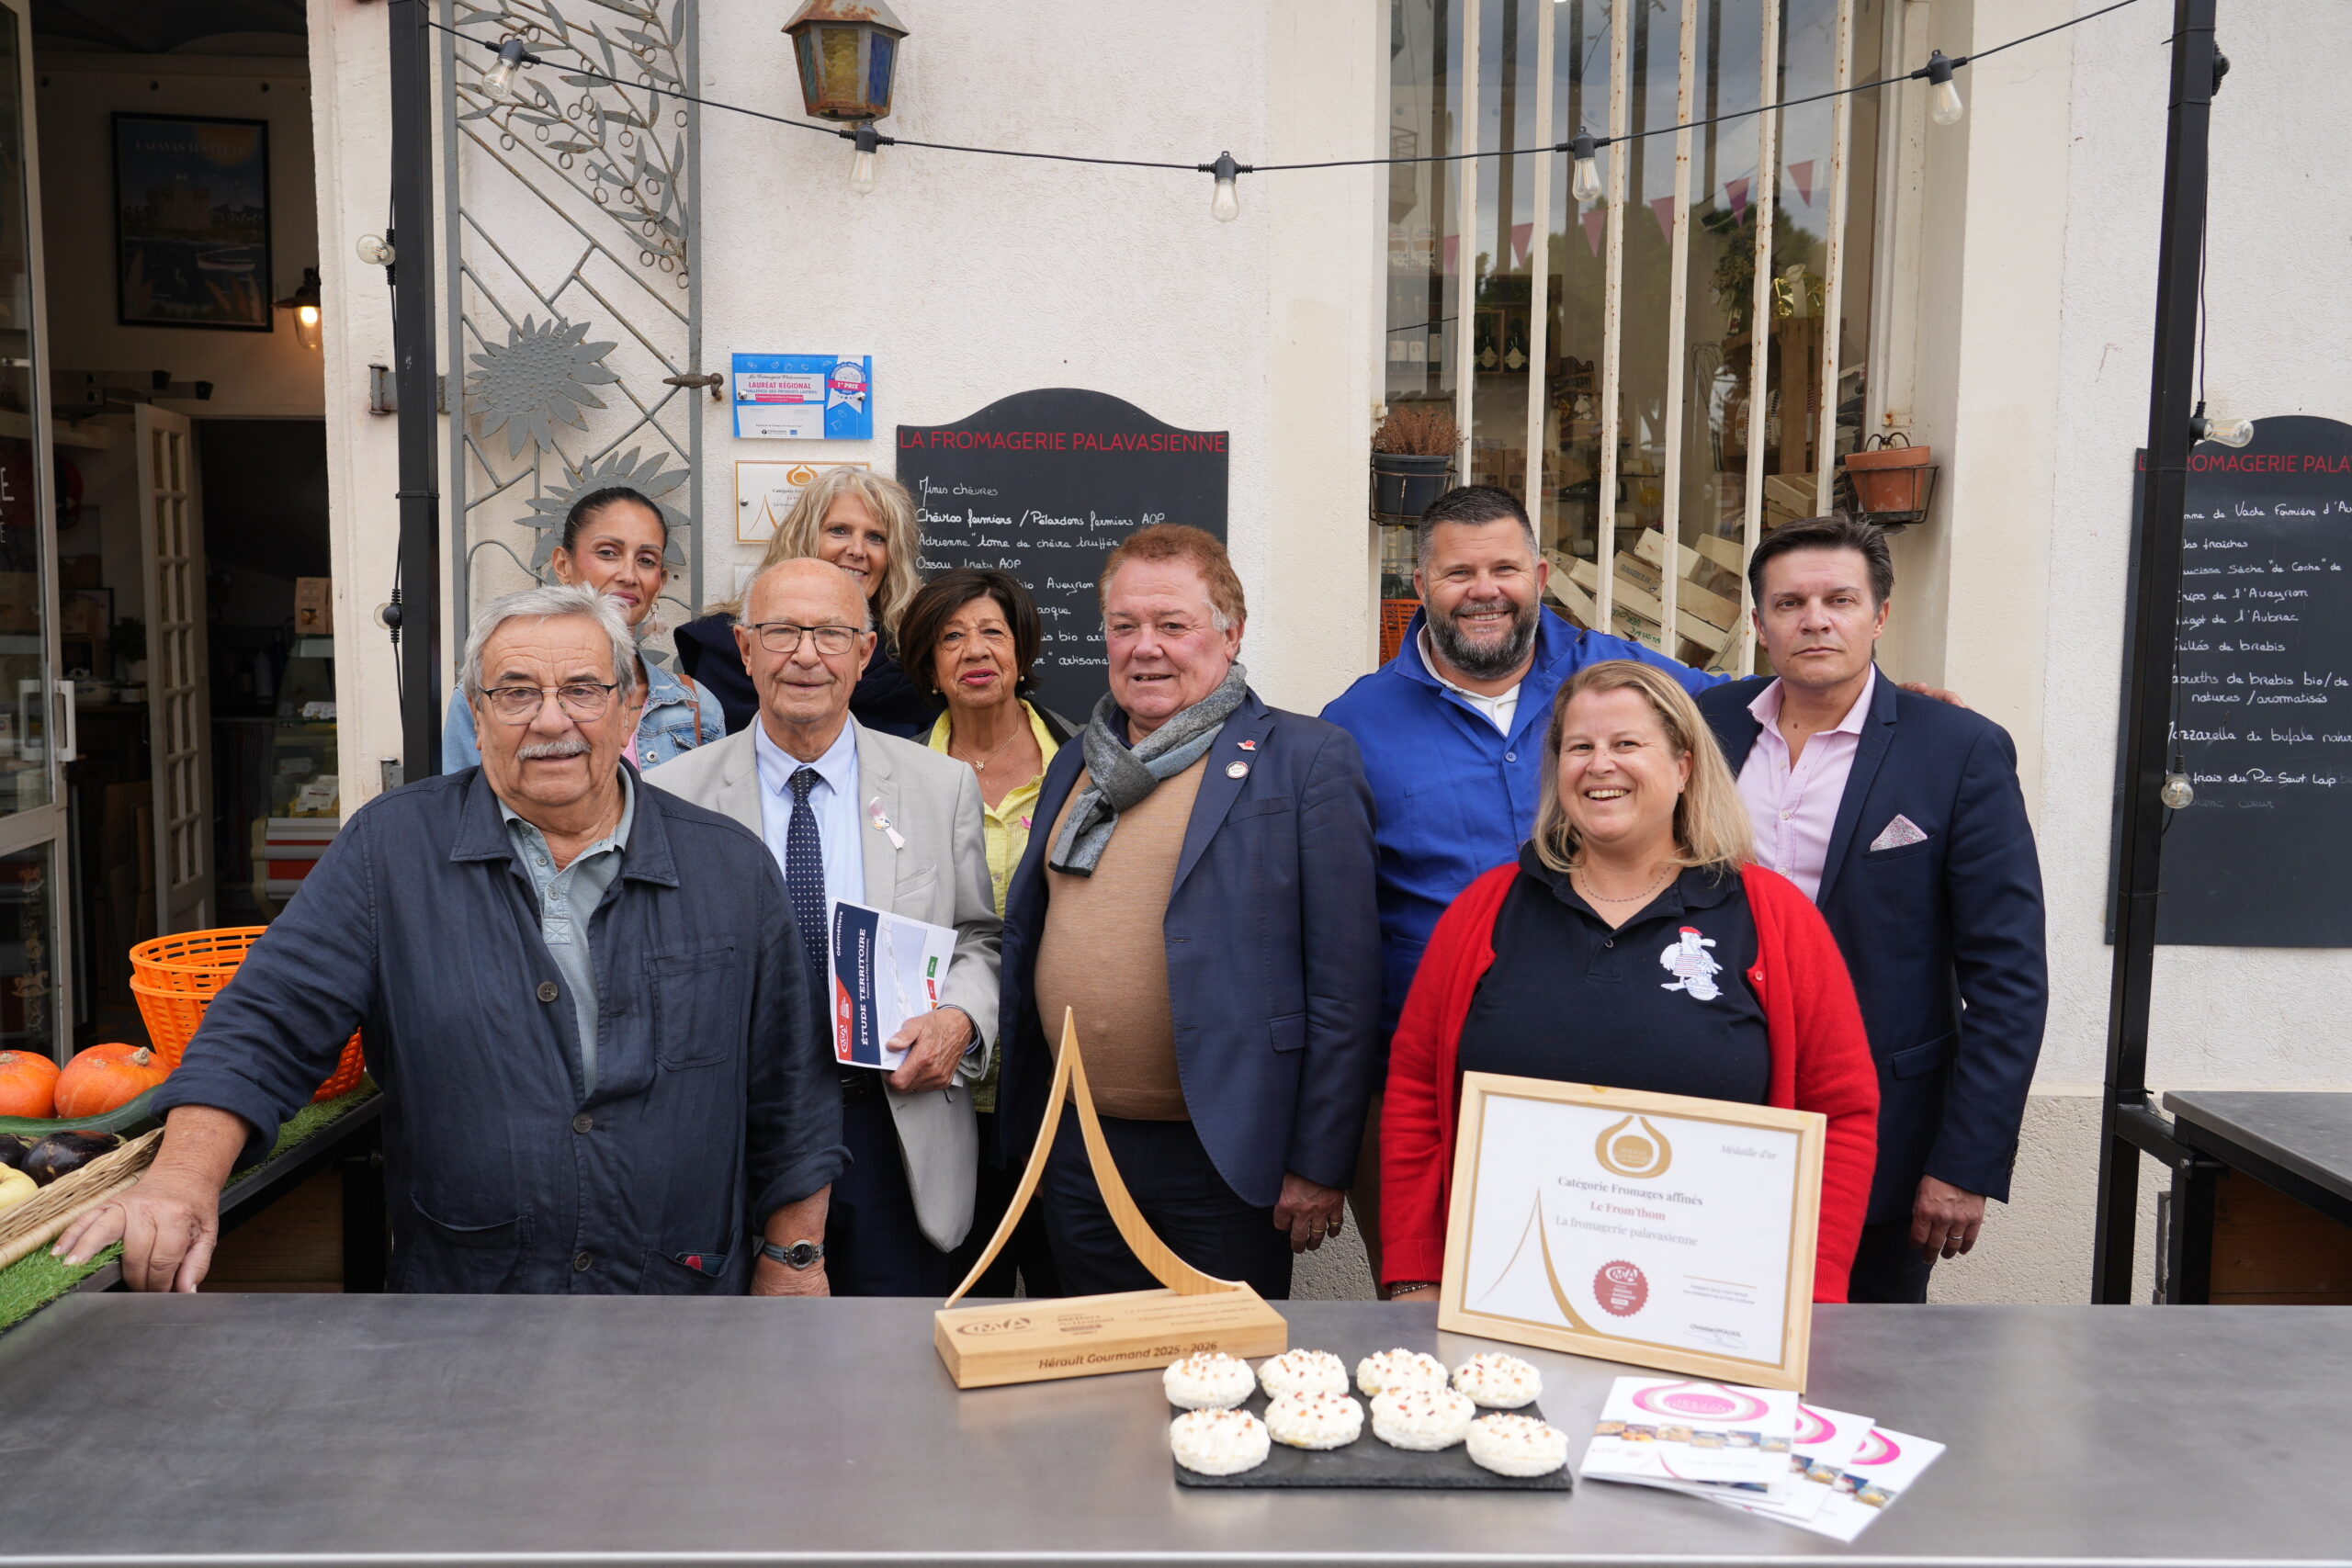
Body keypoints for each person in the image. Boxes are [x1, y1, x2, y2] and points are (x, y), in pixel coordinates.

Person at [59, 585, 846, 1294]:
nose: (550, 719)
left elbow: (791, 1085)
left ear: (631, 705)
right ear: (476, 711)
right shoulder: (390, 851)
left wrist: (795, 1257)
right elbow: (266, 1021)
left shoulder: (731, 865)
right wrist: (182, 1178)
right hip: (467, 1304)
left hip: (681, 1296)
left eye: (582, 690)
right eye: (515, 692)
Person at [1379, 660, 1880, 1304]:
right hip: (1510, 1293)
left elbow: (1840, 1112)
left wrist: (1809, 1290)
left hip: (1712, 1306)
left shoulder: (1774, 917)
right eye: (1579, 746)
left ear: (1683, 766)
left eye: (1626, 744)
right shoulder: (1486, 909)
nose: (1599, 764)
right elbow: (1417, 1092)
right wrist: (1419, 1272)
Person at [996, 525, 1382, 1301]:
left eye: (1173, 625)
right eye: (1125, 625)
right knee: (1094, 1379)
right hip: (1079, 1149)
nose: (1145, 648)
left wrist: (1318, 1159)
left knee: (1219, 1398)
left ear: (1231, 633)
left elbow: (1346, 986)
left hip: (1226, 1157)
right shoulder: (1079, 758)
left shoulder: (1305, 760)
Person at [1695, 514, 2047, 1303]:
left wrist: (1965, 1160)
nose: (1814, 619)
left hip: (1883, 1133)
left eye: (1839, 599)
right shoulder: (1703, 726)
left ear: (1880, 615)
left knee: (1865, 1375)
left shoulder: (1957, 749)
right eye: (1788, 604)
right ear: (1757, 623)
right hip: (1709, 1114)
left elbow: (2008, 977)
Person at [650, 558, 1000, 1296]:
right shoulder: (671, 797)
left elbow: (980, 937)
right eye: (782, 632)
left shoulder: (941, 788)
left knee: (900, 1387)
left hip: (893, 1130)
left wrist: (960, 1018)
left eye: (831, 633)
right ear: (745, 649)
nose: (806, 654)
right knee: (745, 1390)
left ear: (865, 653)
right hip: (736, 1139)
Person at [895, 567, 1075, 1296]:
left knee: (1074, 1310)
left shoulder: (1085, 765)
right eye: (951, 636)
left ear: (1022, 651)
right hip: (939, 1095)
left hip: (1059, 1088)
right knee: (959, 1306)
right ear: (929, 666)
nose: (975, 650)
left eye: (992, 632)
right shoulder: (895, 776)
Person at [443, 486, 724, 771]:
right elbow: (465, 806)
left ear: (660, 581)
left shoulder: (694, 704)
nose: (628, 575)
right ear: (563, 565)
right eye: (607, 553)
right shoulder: (490, 694)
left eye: (646, 561)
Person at [675, 467, 939, 739]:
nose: (857, 550)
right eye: (839, 531)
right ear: (803, 538)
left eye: (876, 537)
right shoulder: (726, 650)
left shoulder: (914, 659)